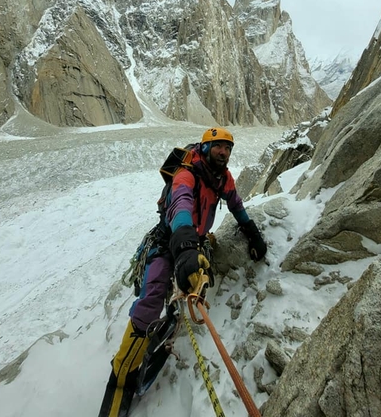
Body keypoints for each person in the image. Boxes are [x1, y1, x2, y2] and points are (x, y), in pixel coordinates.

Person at [98, 127, 267, 416]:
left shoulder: (222, 177)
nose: (224, 152)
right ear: (205, 147)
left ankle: (172, 317)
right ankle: (122, 377)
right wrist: (187, 244)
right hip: (170, 241)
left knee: (191, 280)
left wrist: (251, 231)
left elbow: (235, 204)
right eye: (218, 147)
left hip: (192, 240)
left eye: (228, 148)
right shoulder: (187, 173)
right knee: (151, 299)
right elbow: (181, 204)